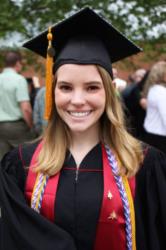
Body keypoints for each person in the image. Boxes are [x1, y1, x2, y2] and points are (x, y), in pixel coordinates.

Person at [0, 7, 166, 250]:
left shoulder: (145, 164)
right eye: (66, 87)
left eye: (92, 87)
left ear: (109, 92)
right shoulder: (21, 164)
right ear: (52, 91)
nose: (77, 100)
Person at [0, 51, 34, 160]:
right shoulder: (19, 79)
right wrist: (30, 125)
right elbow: (26, 108)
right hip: (17, 127)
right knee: (26, 158)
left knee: (2, 161)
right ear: (18, 63)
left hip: (0, 127)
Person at [141, 61, 166, 154]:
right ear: (162, 74)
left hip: (151, 134)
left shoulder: (153, 89)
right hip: (160, 138)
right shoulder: (161, 92)